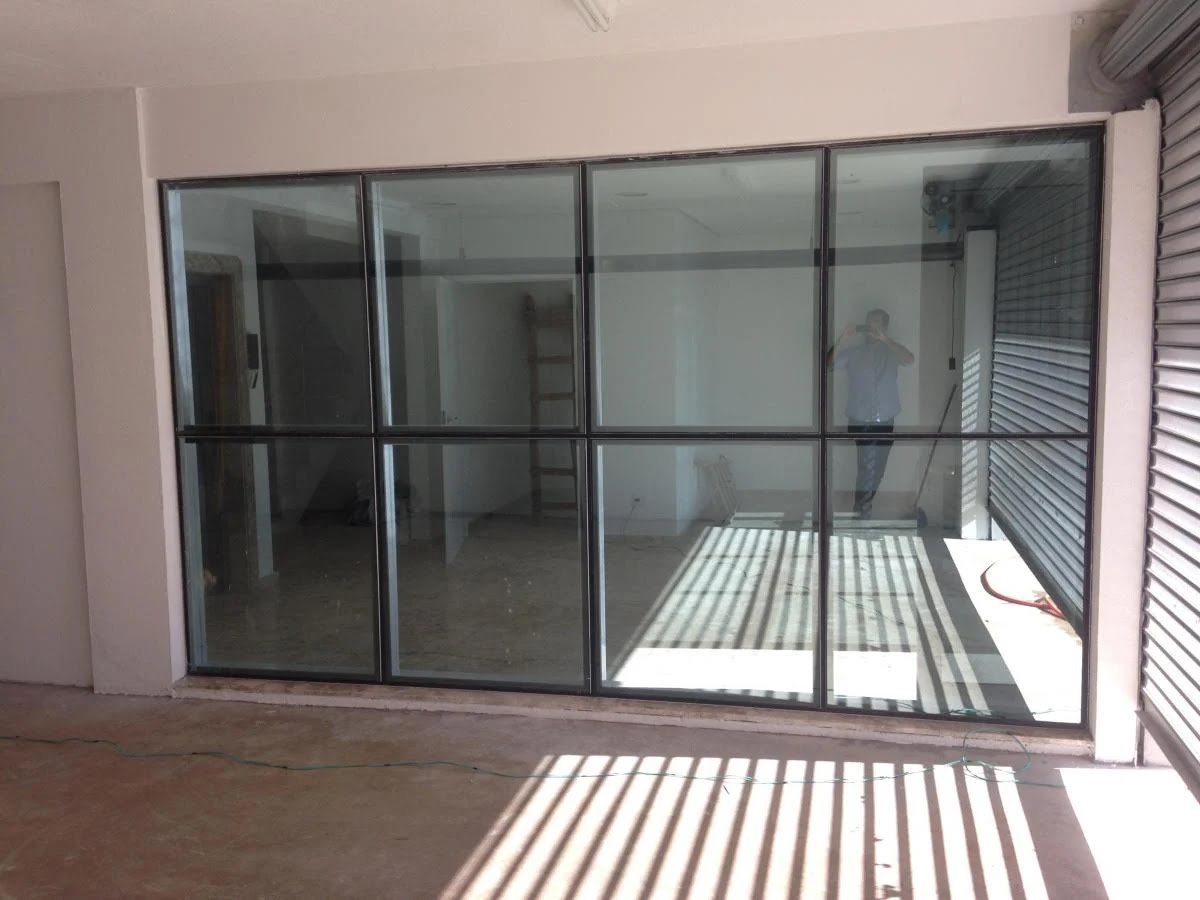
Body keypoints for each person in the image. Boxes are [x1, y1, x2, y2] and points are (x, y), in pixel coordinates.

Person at [826, 309, 915, 517]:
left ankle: (862, 507)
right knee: (867, 466)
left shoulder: (892, 351)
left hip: (886, 417)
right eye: (869, 323)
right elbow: (828, 365)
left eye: (877, 323)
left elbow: (909, 359)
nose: (872, 327)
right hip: (860, 418)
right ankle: (862, 513)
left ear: (884, 327)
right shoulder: (854, 352)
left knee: (879, 468)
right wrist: (843, 337)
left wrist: (886, 340)